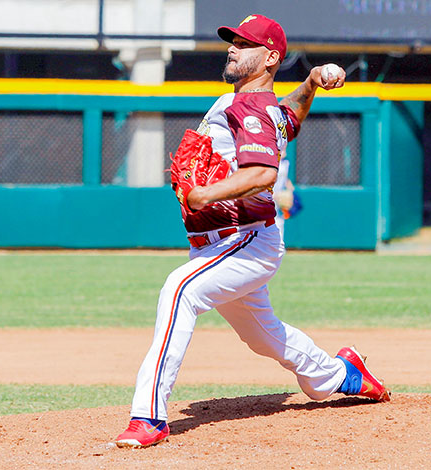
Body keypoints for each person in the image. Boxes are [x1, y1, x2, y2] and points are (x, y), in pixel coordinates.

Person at [115, 14, 390, 449]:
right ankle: (341, 373)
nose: (233, 48)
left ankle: (149, 416)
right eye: (233, 41)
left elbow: (262, 173)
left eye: (245, 44)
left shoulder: (251, 108)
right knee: (263, 336)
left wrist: (205, 195)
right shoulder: (260, 107)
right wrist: (313, 82)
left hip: (245, 240)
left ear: (270, 57)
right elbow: (289, 121)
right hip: (225, 242)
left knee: (179, 292)